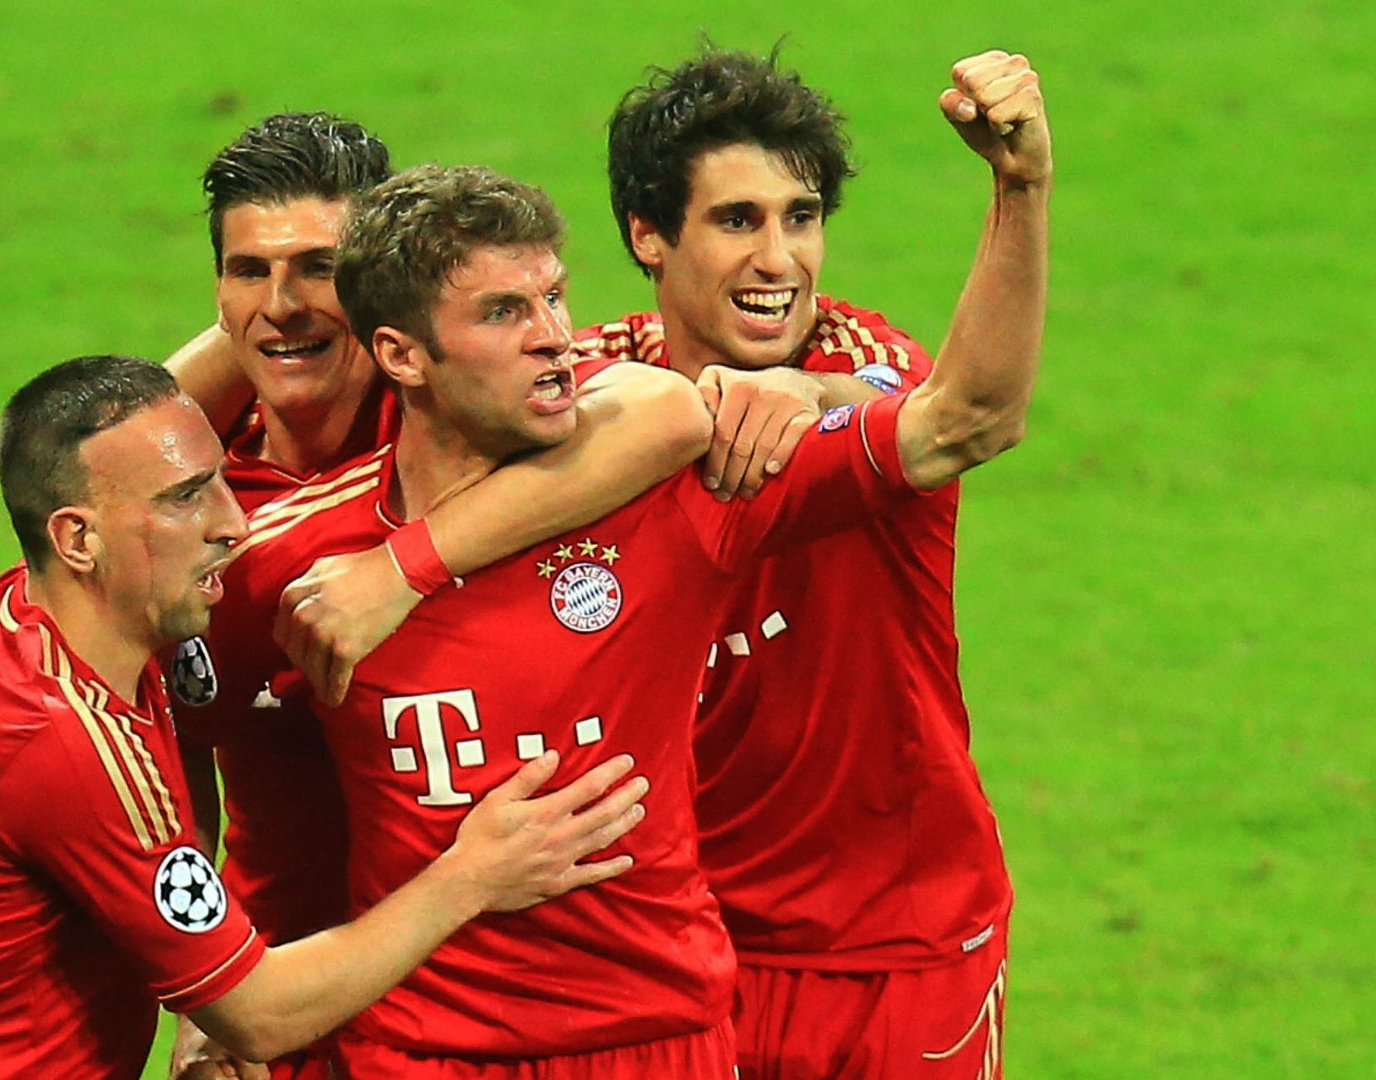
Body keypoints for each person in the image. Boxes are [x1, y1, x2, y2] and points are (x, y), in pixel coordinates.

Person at [203, 152, 1039, 1079]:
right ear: (401, 354)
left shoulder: (672, 491)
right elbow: (162, 738)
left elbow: (959, 421)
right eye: (503, 313)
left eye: (555, 299)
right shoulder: (294, 565)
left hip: (655, 1042)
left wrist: (1022, 189)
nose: (557, 337)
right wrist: (215, 993)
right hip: (417, 1051)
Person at [0, 355, 648, 1080]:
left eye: (217, 482)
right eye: (184, 498)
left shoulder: (38, 613)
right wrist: (471, 875)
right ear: (77, 537)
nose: (232, 523)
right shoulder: (62, 742)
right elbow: (262, 1014)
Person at [160, 112, 721, 1080]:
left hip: (479, 997)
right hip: (294, 984)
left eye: (318, 270)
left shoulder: (464, 418)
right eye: (249, 273)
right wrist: (204, 989)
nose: (284, 306)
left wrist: (404, 565)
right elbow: (153, 718)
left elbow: (665, 410)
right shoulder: (206, 505)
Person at [574, 48, 1051, 1079]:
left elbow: (969, 412)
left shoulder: (864, 365)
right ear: (646, 235)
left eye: (801, 216)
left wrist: (1021, 186)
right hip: (675, 956)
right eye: (738, 220)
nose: (780, 258)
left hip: (896, 950)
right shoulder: (585, 393)